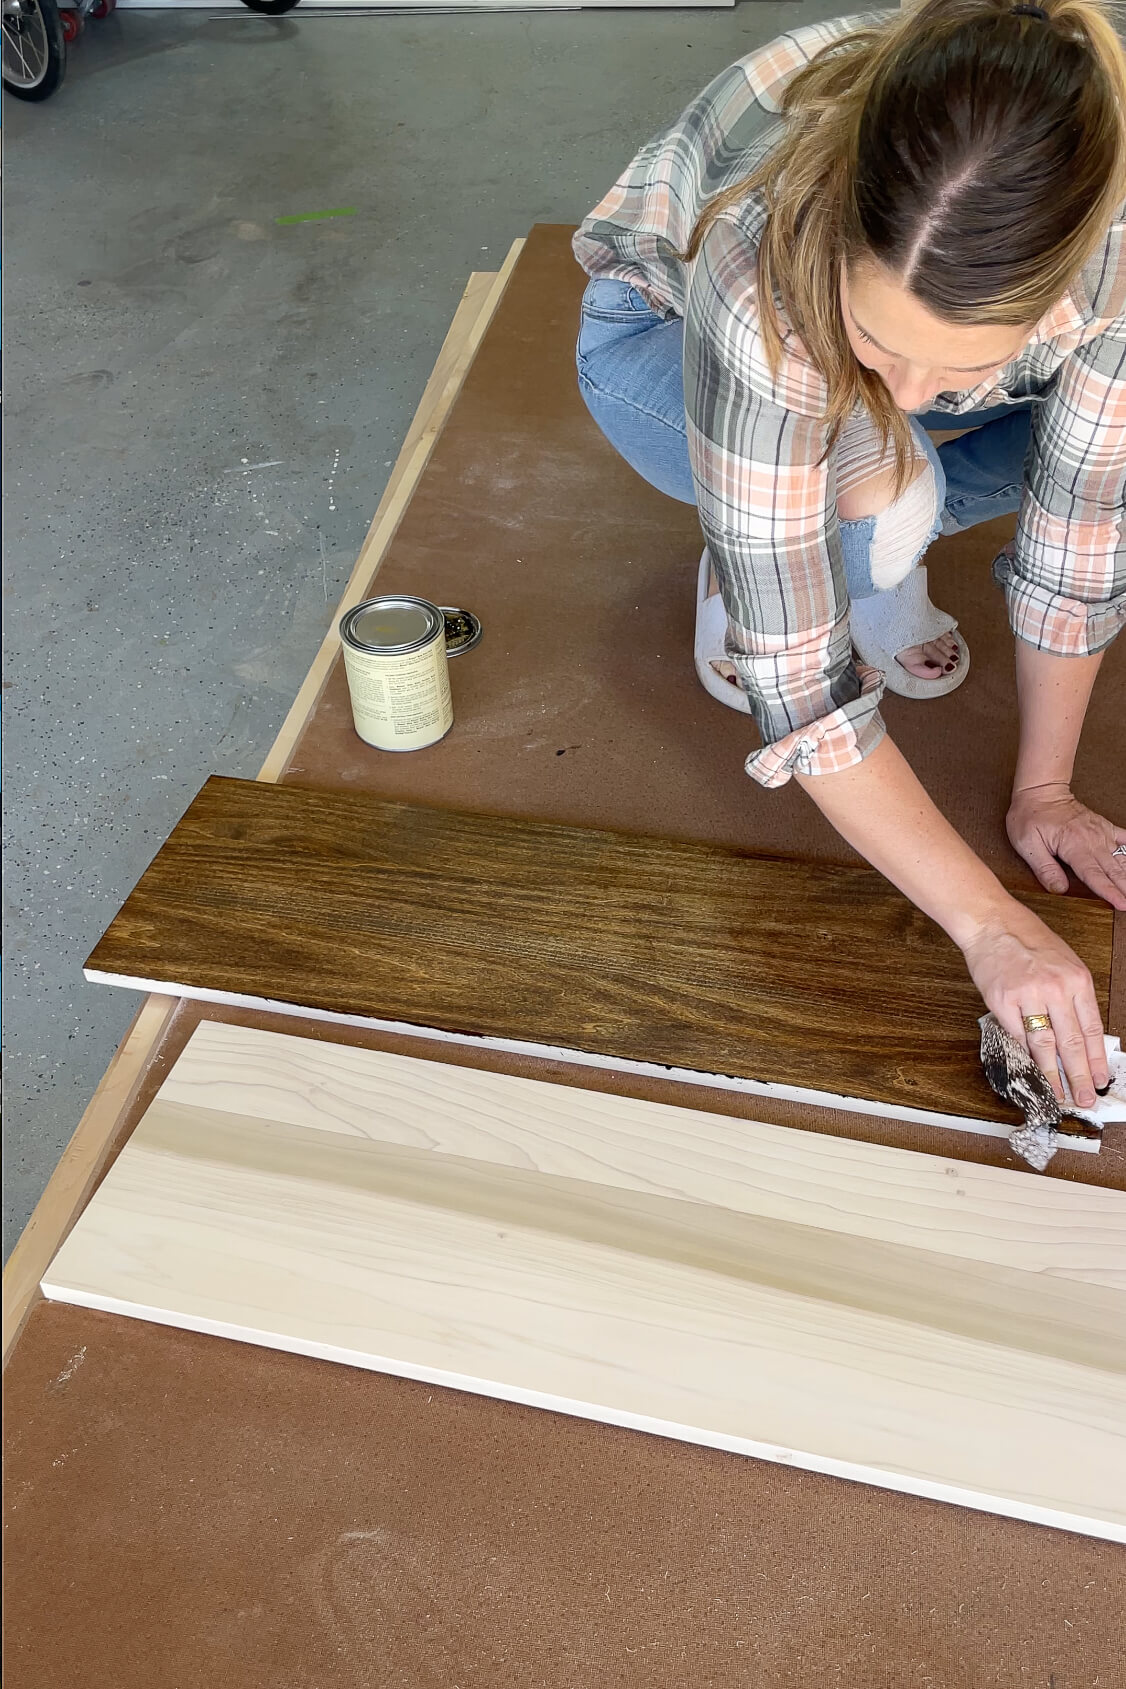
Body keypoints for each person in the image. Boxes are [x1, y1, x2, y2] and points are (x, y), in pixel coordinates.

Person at [574, 0, 1125, 1111]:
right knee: (886, 483)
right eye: (881, 339)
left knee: (980, 450)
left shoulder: (1116, 256)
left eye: (965, 357)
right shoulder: (759, 252)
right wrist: (989, 925)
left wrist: (1045, 791)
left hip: (896, 350)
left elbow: (1082, 525)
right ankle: (768, 554)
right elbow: (798, 685)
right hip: (655, 351)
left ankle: (850, 533)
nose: (915, 394)